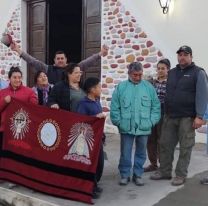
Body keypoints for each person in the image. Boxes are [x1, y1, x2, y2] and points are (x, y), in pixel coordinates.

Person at [151, 46, 208, 186]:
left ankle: (181, 175)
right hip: (170, 116)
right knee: (165, 145)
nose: (182, 57)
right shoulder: (172, 72)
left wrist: (199, 116)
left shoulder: (198, 73)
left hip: (187, 118)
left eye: (185, 55)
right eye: (180, 55)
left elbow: (203, 95)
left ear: (191, 56)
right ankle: (165, 171)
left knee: (185, 147)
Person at [110, 62, 161, 186]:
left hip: (144, 127)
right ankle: (125, 174)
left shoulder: (149, 88)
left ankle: (138, 174)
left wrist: (150, 122)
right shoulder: (121, 87)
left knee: (141, 152)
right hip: (126, 127)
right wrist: (119, 123)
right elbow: (114, 108)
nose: (138, 77)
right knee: (125, 153)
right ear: (129, 74)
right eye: (135, 75)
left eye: (140, 75)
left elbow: (156, 107)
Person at [10, 41, 108, 85]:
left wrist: (100, 54)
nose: (60, 60)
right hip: (54, 102)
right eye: (58, 59)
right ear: (54, 61)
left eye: (62, 58)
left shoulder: (73, 68)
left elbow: (87, 62)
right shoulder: (48, 69)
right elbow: (32, 61)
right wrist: (18, 50)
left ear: (66, 59)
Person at [76, 77, 105, 199]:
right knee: (90, 165)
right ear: (92, 89)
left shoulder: (97, 101)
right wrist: (95, 117)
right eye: (99, 87)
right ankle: (89, 188)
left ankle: (95, 184)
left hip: (99, 138)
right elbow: (81, 121)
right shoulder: (83, 104)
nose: (101, 89)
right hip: (88, 140)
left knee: (99, 163)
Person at [0, 66, 38, 147]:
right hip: (5, 129)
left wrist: (33, 100)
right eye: (15, 77)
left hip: (23, 130)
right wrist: (4, 101)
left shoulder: (29, 92)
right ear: (9, 78)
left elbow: (34, 107)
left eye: (19, 77)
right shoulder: (2, 92)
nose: (18, 80)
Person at [144, 59, 171, 172]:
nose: (160, 70)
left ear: (168, 69)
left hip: (164, 112)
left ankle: (163, 165)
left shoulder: (171, 83)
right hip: (152, 113)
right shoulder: (152, 83)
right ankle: (153, 164)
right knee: (151, 139)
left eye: (163, 68)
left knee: (162, 140)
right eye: (158, 68)